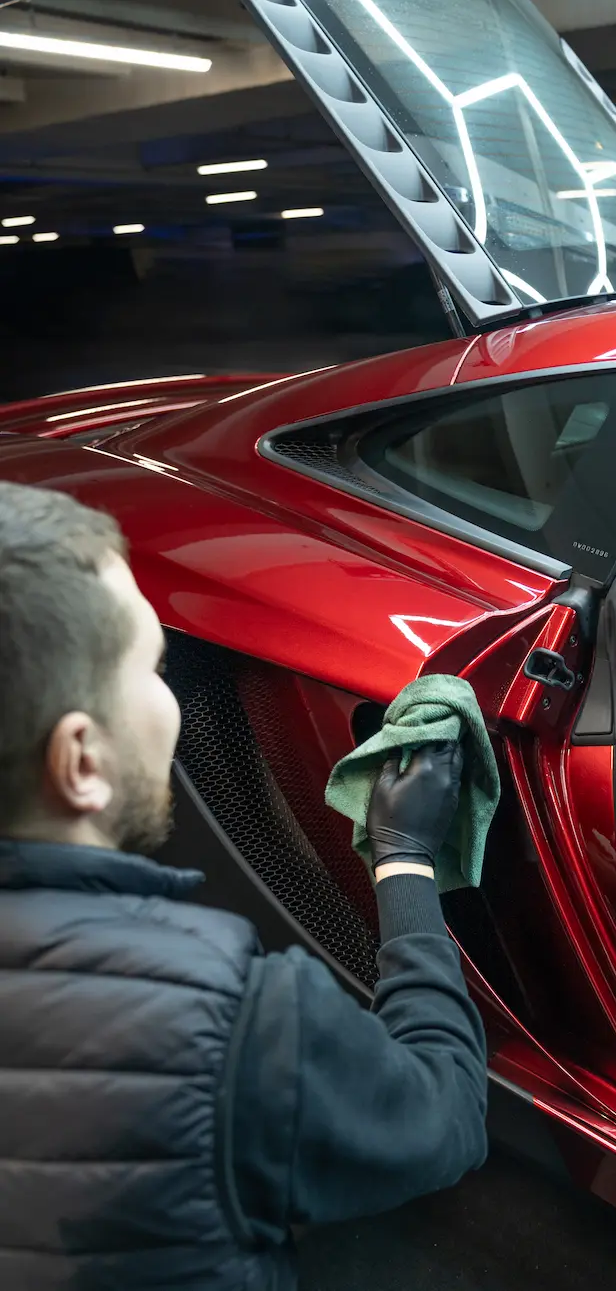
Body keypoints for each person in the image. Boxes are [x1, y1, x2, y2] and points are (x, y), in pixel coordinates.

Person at [0, 480, 488, 1291]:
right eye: (153, 668)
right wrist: (403, 855)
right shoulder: (230, 1022)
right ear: (80, 762)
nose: (170, 696)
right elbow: (443, 1117)